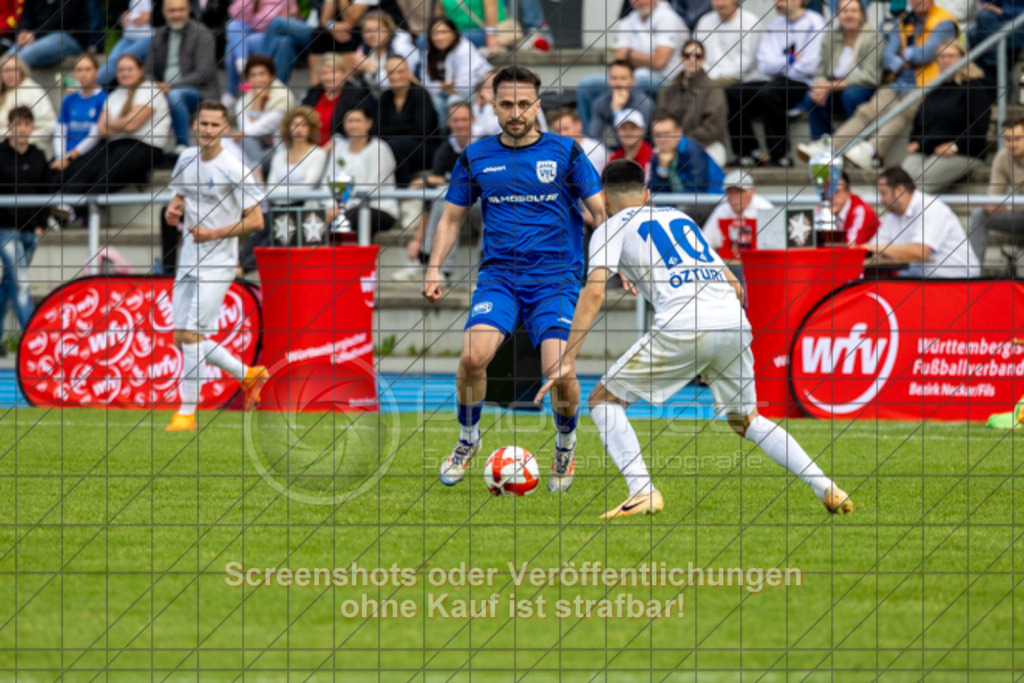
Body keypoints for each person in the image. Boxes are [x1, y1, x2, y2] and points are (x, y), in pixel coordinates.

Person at [534, 159, 854, 518]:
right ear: (647, 194)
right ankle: (825, 485)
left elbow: (593, 293)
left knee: (603, 401)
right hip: (733, 320)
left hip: (685, 323)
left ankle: (642, 491)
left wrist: (567, 359)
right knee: (748, 420)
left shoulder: (609, 228)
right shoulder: (680, 218)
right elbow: (735, 286)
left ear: (604, 201)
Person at [422, 65, 606, 491]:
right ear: (494, 105)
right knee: (472, 357)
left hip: (556, 280)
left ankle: (565, 442)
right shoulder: (476, 156)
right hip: (500, 278)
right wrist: (434, 268)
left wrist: (619, 263)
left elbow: (600, 213)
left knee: (559, 370)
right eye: (507, 104)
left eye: (524, 104)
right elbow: (451, 218)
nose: (516, 112)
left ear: (538, 106)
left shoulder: (567, 153)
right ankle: (468, 438)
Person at [164, 101, 268, 432]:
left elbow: (256, 220)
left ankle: (187, 413)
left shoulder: (235, 168)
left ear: (226, 130)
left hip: (220, 261)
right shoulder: (186, 158)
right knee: (182, 337)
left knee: (194, 335)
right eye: (203, 124)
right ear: (195, 125)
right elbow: (180, 196)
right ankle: (249, 375)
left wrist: (214, 233)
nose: (207, 130)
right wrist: (173, 209)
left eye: (214, 125)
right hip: (189, 257)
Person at [796, 0, 958, 170]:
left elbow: (927, 53)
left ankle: (870, 150)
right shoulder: (904, 20)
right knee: (867, 111)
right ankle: (829, 148)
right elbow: (888, 56)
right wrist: (901, 60)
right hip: (899, 81)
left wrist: (907, 55)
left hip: (927, 84)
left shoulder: (944, 22)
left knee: (901, 112)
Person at [725, 0, 825, 167]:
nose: (776, 2)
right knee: (733, 92)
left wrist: (781, 64)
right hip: (776, 80)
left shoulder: (815, 23)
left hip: (804, 82)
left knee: (770, 93)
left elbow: (810, 65)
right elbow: (765, 65)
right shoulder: (774, 25)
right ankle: (748, 153)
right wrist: (791, 59)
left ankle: (781, 155)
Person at [62, 54, 173, 194]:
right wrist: (122, 123)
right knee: (83, 168)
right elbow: (102, 130)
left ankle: (75, 211)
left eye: (130, 69)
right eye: (121, 70)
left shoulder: (149, 90)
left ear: (140, 70)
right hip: (116, 145)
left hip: (145, 146)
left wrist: (113, 123)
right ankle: (64, 205)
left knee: (106, 176)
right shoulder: (114, 95)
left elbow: (132, 125)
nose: (125, 73)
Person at [393, 99, 478, 282]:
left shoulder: (486, 146)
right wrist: (418, 238)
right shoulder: (444, 151)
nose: (460, 124)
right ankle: (437, 268)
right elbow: (433, 189)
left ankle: (486, 272)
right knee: (441, 196)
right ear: (448, 122)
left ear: (474, 119)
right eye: (455, 120)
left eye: (464, 119)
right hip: (458, 209)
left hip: (481, 208)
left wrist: (434, 180)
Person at [900, 40, 993, 194]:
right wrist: (915, 140)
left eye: (951, 56)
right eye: (942, 57)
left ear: (962, 58)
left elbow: (979, 126)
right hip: (928, 149)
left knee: (922, 184)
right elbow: (920, 120)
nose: (946, 60)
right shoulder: (935, 88)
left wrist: (955, 145)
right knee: (900, 181)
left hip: (964, 152)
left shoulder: (974, 87)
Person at [576, 0, 687, 128]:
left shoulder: (668, 18)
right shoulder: (628, 20)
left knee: (637, 84)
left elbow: (659, 62)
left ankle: (635, 137)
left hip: (666, 80)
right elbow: (620, 59)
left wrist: (629, 53)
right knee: (587, 85)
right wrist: (642, 58)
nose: (638, 2)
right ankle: (588, 140)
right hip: (631, 78)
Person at [0, 107, 53, 344]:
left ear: (32, 128)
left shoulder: (38, 156)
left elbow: (46, 192)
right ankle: (33, 342)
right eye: (16, 124)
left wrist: (40, 224)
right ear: (9, 127)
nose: (21, 129)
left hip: (31, 230)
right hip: (5, 229)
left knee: (9, 283)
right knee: (21, 283)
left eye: (25, 124)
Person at [873, 166, 979, 278]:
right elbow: (874, 247)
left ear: (900, 190)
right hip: (921, 280)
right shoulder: (893, 215)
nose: (881, 200)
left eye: (884, 193)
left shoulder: (931, 207)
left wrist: (876, 249)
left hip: (959, 282)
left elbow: (920, 252)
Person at [798, 0, 880, 142]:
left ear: (862, 14)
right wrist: (820, 86)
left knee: (851, 95)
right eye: (844, 11)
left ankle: (856, 143)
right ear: (837, 14)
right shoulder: (830, 37)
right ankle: (822, 143)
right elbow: (820, 71)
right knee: (812, 97)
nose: (849, 15)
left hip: (863, 89)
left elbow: (870, 77)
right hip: (835, 89)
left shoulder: (873, 38)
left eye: (854, 11)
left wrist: (831, 86)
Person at [146, 0, 219, 151]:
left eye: (181, 10)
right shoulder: (159, 35)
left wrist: (170, 86)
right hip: (163, 89)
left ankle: (182, 146)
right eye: (171, 11)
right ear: (164, 12)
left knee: (175, 95)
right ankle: (147, 150)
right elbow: (148, 71)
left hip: (200, 92)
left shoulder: (202, 34)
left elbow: (203, 73)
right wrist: (156, 85)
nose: (176, 15)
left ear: (188, 10)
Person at [322, 105, 399, 233]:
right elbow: (328, 181)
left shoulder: (379, 149)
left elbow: (372, 187)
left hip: (378, 208)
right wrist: (332, 205)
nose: (353, 125)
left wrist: (341, 208)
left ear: (369, 123)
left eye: (358, 121)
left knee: (348, 218)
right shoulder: (339, 148)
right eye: (349, 121)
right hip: (344, 208)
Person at [654, 39, 728, 168]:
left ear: (703, 59)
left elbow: (712, 128)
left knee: (698, 165)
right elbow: (661, 120)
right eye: (687, 55)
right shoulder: (668, 89)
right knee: (655, 162)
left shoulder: (713, 89)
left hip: (708, 145)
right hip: (670, 143)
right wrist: (672, 142)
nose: (692, 60)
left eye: (697, 56)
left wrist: (683, 143)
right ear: (681, 58)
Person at [969, 118, 1024, 266]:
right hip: (1020, 215)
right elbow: (993, 197)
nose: (1012, 144)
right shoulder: (1002, 156)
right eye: (1008, 139)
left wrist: (1009, 206)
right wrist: (992, 205)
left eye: (1017, 139)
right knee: (979, 215)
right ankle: (972, 273)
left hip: (1018, 209)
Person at [378, 55, 440, 187]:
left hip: (425, 148)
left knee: (394, 146)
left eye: (400, 71)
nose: (395, 77)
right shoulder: (385, 97)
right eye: (391, 72)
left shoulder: (420, 94)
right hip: (396, 146)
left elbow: (421, 131)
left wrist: (392, 133)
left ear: (408, 72)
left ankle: (403, 190)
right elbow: (378, 130)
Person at [223, 0, 298, 106]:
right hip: (246, 30)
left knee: (233, 46)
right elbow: (235, 14)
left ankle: (232, 90)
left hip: (268, 34)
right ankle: (242, 61)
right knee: (233, 25)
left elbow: (284, 21)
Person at [232, 55, 294, 177]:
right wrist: (257, 103)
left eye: (262, 74)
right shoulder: (243, 102)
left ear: (271, 75)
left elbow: (253, 130)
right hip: (252, 150)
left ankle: (256, 179)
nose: (258, 79)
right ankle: (257, 175)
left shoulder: (283, 97)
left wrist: (242, 133)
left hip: (278, 151)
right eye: (253, 75)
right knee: (245, 143)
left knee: (244, 145)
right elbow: (246, 130)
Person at [421, 17, 492, 122]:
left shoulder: (464, 49)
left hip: (475, 91)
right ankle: (439, 136)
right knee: (432, 102)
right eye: (435, 34)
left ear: (454, 33)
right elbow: (426, 84)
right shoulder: (428, 53)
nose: (439, 37)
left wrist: (443, 86)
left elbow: (465, 87)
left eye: (444, 32)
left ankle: (449, 136)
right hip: (445, 94)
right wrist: (446, 85)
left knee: (453, 103)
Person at [300, 51, 378, 146]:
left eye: (333, 72)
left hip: (339, 147)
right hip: (309, 147)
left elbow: (356, 128)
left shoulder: (356, 95)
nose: (329, 77)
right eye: (324, 73)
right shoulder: (313, 92)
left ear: (344, 74)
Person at [701, 169, 774, 265]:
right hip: (727, 266)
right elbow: (705, 244)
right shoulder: (722, 211)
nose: (734, 197)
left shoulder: (765, 210)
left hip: (759, 265)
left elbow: (774, 247)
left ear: (751, 191)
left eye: (739, 192)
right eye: (730, 192)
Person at [52, 54, 106, 176]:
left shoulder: (103, 99)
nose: (83, 74)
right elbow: (60, 129)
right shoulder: (69, 99)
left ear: (96, 72)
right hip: (65, 155)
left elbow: (95, 135)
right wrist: (60, 156)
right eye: (79, 70)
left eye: (88, 69)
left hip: (89, 155)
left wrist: (70, 158)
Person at [649, 114, 724, 202]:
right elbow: (656, 195)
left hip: (713, 199)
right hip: (682, 202)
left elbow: (695, 192)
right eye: (657, 135)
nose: (662, 140)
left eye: (666, 134)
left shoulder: (693, 151)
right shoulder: (657, 157)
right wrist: (662, 169)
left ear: (678, 133)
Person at [586, 60, 655, 145]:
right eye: (614, 78)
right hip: (616, 152)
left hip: (644, 151)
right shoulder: (600, 103)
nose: (618, 83)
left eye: (623, 78)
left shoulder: (644, 104)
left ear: (632, 81)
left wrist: (617, 112)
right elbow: (594, 138)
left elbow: (633, 142)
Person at [692, 0, 761, 85]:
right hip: (707, 77)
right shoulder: (704, 21)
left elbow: (745, 64)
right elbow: (696, 53)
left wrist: (714, 75)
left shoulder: (750, 22)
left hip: (741, 80)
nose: (720, 4)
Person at [5, 0, 88, 68]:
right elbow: (26, 14)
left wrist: (35, 35)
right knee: (6, 58)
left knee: (22, 57)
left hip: (69, 36)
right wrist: (24, 31)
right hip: (36, 36)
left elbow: (62, 19)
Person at [0, 54, 55, 156]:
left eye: (15, 70)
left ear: (21, 71)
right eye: (7, 70)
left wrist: (23, 140)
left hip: (31, 150)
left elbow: (49, 125)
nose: (11, 74)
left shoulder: (34, 92)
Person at [354, 10, 420, 91]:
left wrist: (373, 71)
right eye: (368, 31)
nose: (372, 34)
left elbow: (402, 82)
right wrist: (357, 75)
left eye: (378, 29)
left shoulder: (401, 48)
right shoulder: (364, 49)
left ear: (389, 29)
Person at [98, 0, 155, 87]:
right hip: (128, 37)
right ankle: (94, 82)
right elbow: (115, 12)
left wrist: (135, 17)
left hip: (147, 37)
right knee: (112, 59)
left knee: (121, 60)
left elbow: (149, 18)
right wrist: (122, 17)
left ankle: (91, 83)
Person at [550, 107, 608, 173]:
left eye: (566, 129)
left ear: (579, 125)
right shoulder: (553, 152)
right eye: (558, 131)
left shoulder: (595, 149)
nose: (562, 134)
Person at [830, 171, 879, 246]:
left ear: (848, 192)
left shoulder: (861, 211)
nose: (831, 197)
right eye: (828, 192)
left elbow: (851, 246)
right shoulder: (833, 210)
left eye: (836, 192)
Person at [608, 110, 653, 179]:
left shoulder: (653, 156)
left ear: (642, 130)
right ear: (617, 133)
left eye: (633, 128)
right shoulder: (613, 159)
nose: (628, 132)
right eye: (624, 128)